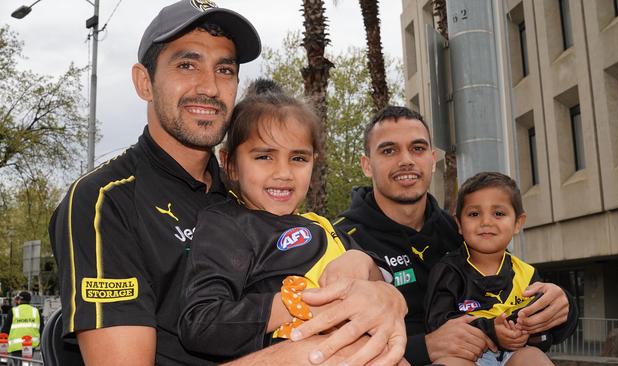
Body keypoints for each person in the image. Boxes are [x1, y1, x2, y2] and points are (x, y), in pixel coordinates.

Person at [49, 1, 407, 365]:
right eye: (187, 65)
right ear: (145, 82)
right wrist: (304, 356)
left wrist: (377, 284)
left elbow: (341, 262)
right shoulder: (105, 200)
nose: (209, 86)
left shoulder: (255, 191)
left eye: (225, 69)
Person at [334, 106, 577, 365]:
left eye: (417, 148)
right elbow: (328, 342)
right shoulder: (340, 239)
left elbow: (510, 294)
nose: (406, 160)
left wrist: (563, 309)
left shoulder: (461, 229)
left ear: (432, 158)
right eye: (389, 150)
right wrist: (425, 346)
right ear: (366, 165)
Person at [178, 84, 399, 363]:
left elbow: (388, 286)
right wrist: (303, 303)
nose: (283, 173)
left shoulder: (321, 226)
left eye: (298, 158)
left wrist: (363, 263)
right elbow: (201, 323)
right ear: (230, 163)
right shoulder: (228, 225)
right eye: (264, 157)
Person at [425, 172, 572, 365]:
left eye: (499, 213)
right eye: (474, 214)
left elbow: (544, 326)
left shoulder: (526, 273)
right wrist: (491, 330)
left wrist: (531, 331)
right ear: (459, 224)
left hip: (515, 353)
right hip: (466, 353)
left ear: (518, 222)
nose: (486, 222)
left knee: (534, 358)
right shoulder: (447, 270)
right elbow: (437, 324)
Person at [1, 292, 43, 365]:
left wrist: (3, 348)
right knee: (26, 363)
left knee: (18, 363)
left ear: (20, 300)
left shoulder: (13, 311)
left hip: (15, 345)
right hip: (30, 344)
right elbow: (42, 328)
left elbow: (5, 330)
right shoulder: (36, 311)